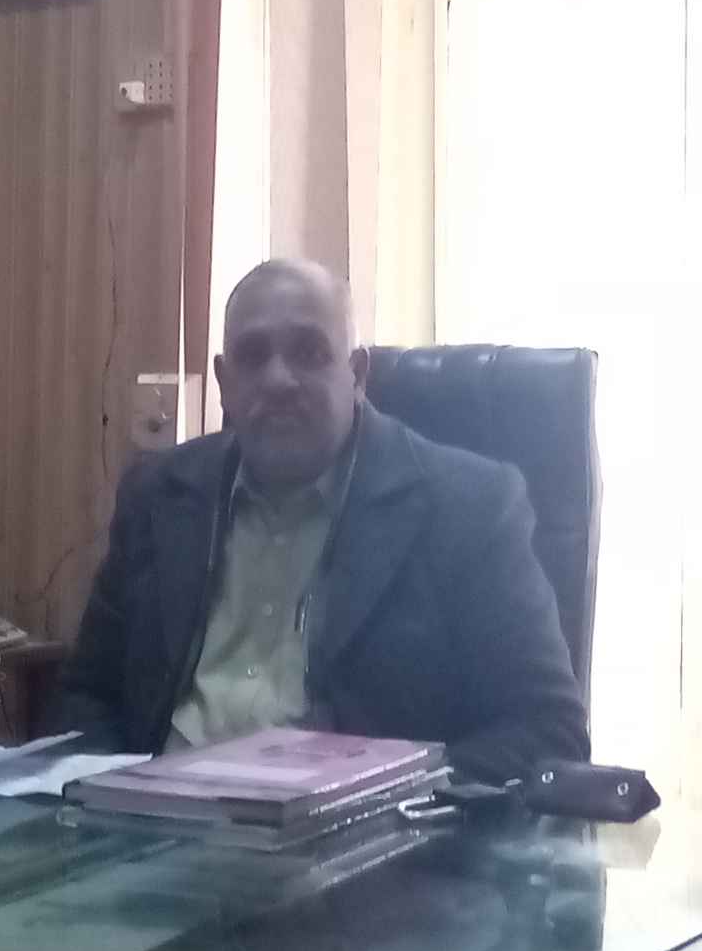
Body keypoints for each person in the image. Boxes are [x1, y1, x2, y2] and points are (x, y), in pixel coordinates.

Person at [38, 259, 589, 781]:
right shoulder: (160, 494)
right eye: (253, 356)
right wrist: (109, 797)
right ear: (225, 382)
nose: (278, 379)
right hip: (153, 827)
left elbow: (546, 730)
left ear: (357, 373)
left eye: (309, 352)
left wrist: (381, 793)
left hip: (361, 837)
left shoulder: (468, 506)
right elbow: (88, 695)